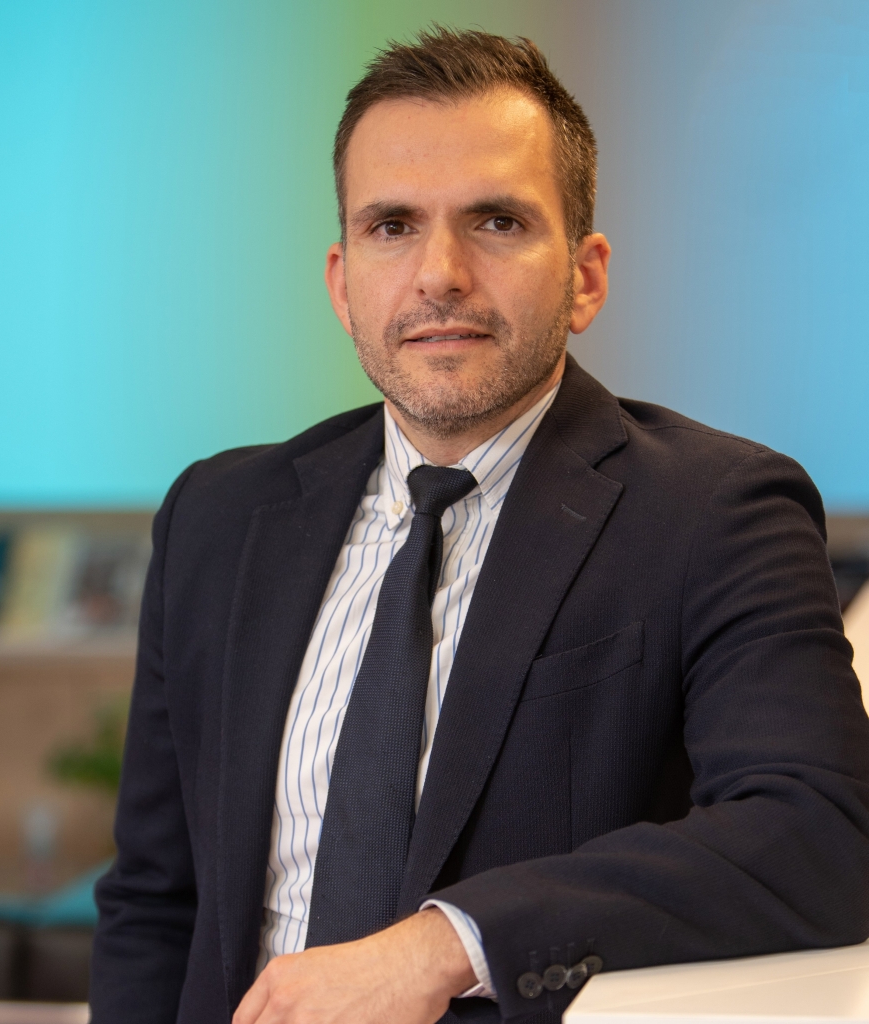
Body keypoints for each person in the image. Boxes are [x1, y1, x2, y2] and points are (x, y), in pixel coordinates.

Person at [90, 28, 869, 1024]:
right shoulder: (218, 518)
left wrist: (445, 945)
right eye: (392, 226)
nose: (440, 274)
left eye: (496, 221)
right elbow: (155, 900)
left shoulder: (715, 512)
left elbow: (818, 835)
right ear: (341, 282)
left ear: (585, 276)